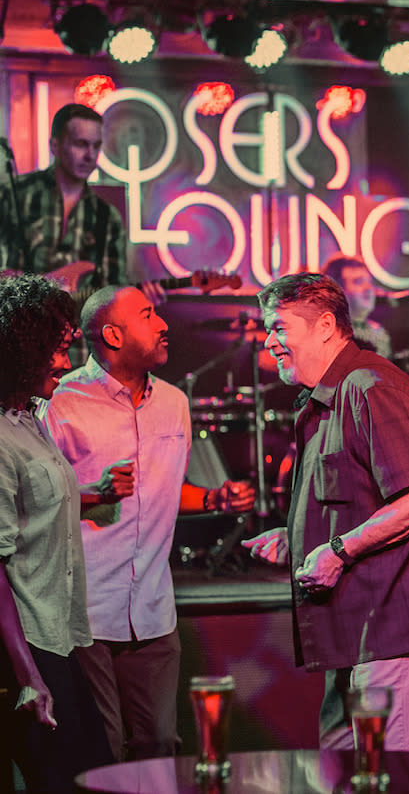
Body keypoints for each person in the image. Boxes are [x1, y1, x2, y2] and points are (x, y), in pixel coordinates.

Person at [241, 272, 409, 752]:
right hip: (357, 633)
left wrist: (334, 550)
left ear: (326, 325)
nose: (269, 343)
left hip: (393, 631)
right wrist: (299, 535)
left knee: (400, 780)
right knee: (341, 773)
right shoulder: (329, 396)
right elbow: (363, 499)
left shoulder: (370, 386)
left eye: (279, 327)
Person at [40, 285, 255, 761]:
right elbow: (33, 507)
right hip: (87, 610)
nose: (163, 324)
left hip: (153, 610)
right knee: (104, 750)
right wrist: (95, 493)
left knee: (160, 744)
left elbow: (165, 491)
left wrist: (216, 497)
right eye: (147, 314)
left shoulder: (174, 401)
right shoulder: (60, 403)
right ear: (113, 334)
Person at [0, 274, 113, 792]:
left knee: (92, 770)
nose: (65, 364)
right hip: (23, 642)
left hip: (56, 632)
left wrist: (93, 495)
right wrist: (28, 677)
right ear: (18, 351)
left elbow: (38, 507)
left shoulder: (27, 417)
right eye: (54, 351)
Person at [0, 104, 127, 291]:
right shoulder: (14, 193)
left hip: (74, 319)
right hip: (14, 316)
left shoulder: (107, 216)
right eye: (80, 144)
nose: (90, 155)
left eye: (96, 146)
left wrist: (134, 297)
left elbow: (111, 291)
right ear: (54, 146)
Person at [321, 254, 392, 358]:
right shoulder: (324, 334)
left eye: (369, 282)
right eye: (358, 282)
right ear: (337, 292)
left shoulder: (379, 333)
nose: (368, 288)